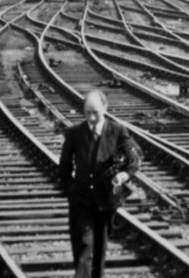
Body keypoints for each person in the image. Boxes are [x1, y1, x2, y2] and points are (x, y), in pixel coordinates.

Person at [58, 89, 141, 278]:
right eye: (88, 113)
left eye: (95, 112)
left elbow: (134, 159)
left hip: (106, 200)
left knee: (100, 248)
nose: (92, 117)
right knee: (83, 247)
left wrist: (124, 176)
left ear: (105, 108)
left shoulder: (117, 131)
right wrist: (71, 189)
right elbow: (64, 166)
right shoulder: (74, 134)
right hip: (80, 200)